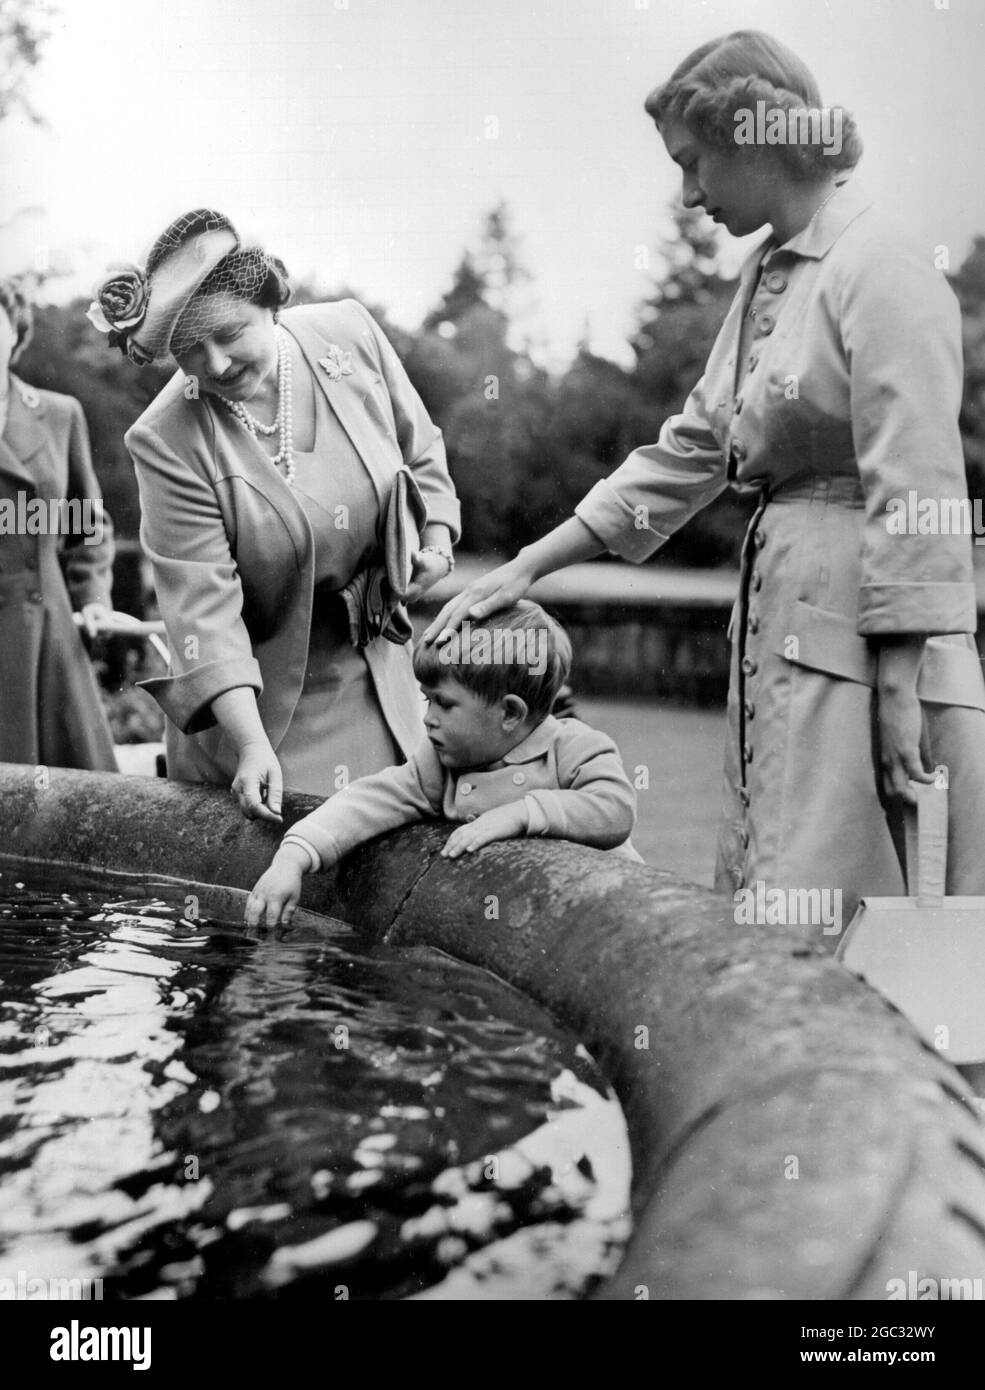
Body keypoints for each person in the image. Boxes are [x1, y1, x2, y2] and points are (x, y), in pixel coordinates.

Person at [423, 30, 985, 926]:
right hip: (787, 636)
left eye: (694, 165)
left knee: (880, 932)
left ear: (753, 136)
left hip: (873, 656)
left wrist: (896, 691)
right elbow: (692, 449)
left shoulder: (883, 266)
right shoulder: (769, 272)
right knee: (777, 918)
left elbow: (919, 488)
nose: (687, 196)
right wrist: (529, 565)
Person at [88, 209, 460, 821]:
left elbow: (421, 451)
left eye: (230, 334)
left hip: (389, 687)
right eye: (188, 351)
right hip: (266, 720)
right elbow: (203, 617)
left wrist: (437, 546)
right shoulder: (164, 440)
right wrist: (251, 745)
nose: (215, 365)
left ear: (270, 301)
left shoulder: (351, 334)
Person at [245, 601, 639, 927]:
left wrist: (522, 814)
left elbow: (615, 808)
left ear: (510, 713)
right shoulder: (440, 764)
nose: (427, 717)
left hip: (605, 919)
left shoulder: (572, 748)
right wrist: (293, 857)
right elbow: (369, 800)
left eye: (444, 703)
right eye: (427, 699)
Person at [0, 278, 117, 771]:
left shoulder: (59, 415)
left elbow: (87, 524)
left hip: (46, 633)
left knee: (66, 812)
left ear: (14, 330)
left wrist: (92, 597)